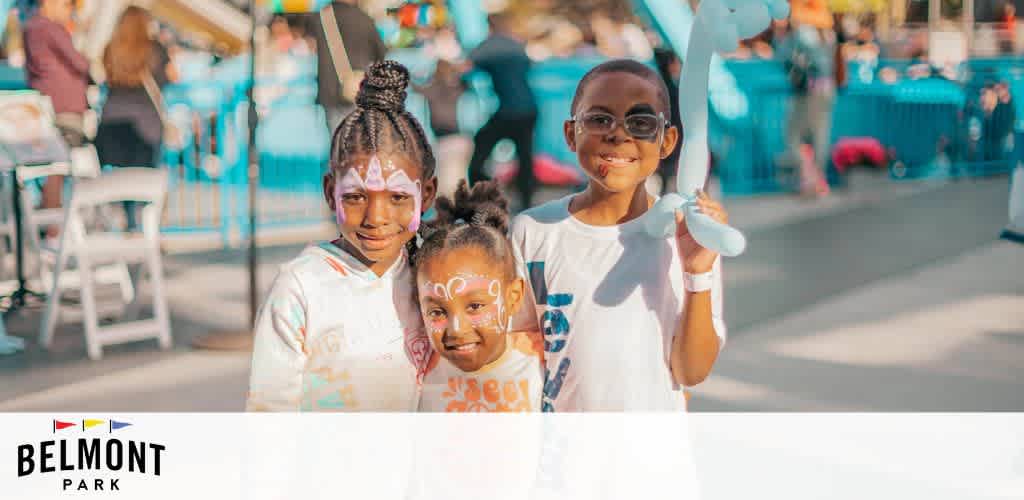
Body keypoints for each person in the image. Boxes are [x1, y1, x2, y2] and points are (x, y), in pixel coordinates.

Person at [509, 60, 728, 412]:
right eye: (599, 119)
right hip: (558, 457)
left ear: (667, 141)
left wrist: (697, 272)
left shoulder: (688, 236)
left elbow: (692, 371)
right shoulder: (532, 231)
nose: (619, 134)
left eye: (641, 123)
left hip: (652, 460)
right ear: (570, 133)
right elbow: (514, 355)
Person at [247, 61, 438, 412]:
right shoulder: (300, 288)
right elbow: (269, 410)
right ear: (329, 191)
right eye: (355, 196)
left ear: (426, 194)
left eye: (398, 197)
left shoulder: (434, 279)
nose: (376, 218)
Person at [414, 180, 543, 412]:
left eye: (474, 306)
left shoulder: (544, 362)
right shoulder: (417, 371)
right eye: (437, 312)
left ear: (513, 297)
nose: (457, 329)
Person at [94, 6, 177, 231]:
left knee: (121, 180)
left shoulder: (111, 49)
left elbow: (106, 76)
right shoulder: (154, 49)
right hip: (145, 125)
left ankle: (128, 224)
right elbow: (169, 78)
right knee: (146, 181)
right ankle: (147, 231)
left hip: (111, 123)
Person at [22, 0, 89, 236]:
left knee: (53, 171)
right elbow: (80, 63)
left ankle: (48, 226)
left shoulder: (31, 28)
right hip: (63, 109)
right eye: (65, 4)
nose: (68, 9)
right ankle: (53, 230)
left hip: (47, 106)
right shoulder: (49, 28)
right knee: (57, 170)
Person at [464, 13, 539, 211]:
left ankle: (482, 190)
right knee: (525, 157)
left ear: (489, 26)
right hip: (529, 108)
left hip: (508, 111)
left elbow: (466, 67)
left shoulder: (489, 45)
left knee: (481, 146)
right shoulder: (517, 45)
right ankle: (526, 201)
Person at [310, 0, 388, 134]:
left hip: (331, 93)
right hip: (359, 89)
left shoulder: (322, 18)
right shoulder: (364, 18)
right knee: (360, 144)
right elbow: (380, 53)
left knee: (338, 144)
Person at [654, 48, 682, 194]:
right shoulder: (674, 91)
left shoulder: (656, 91)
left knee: (665, 187)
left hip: (663, 144)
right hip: (672, 145)